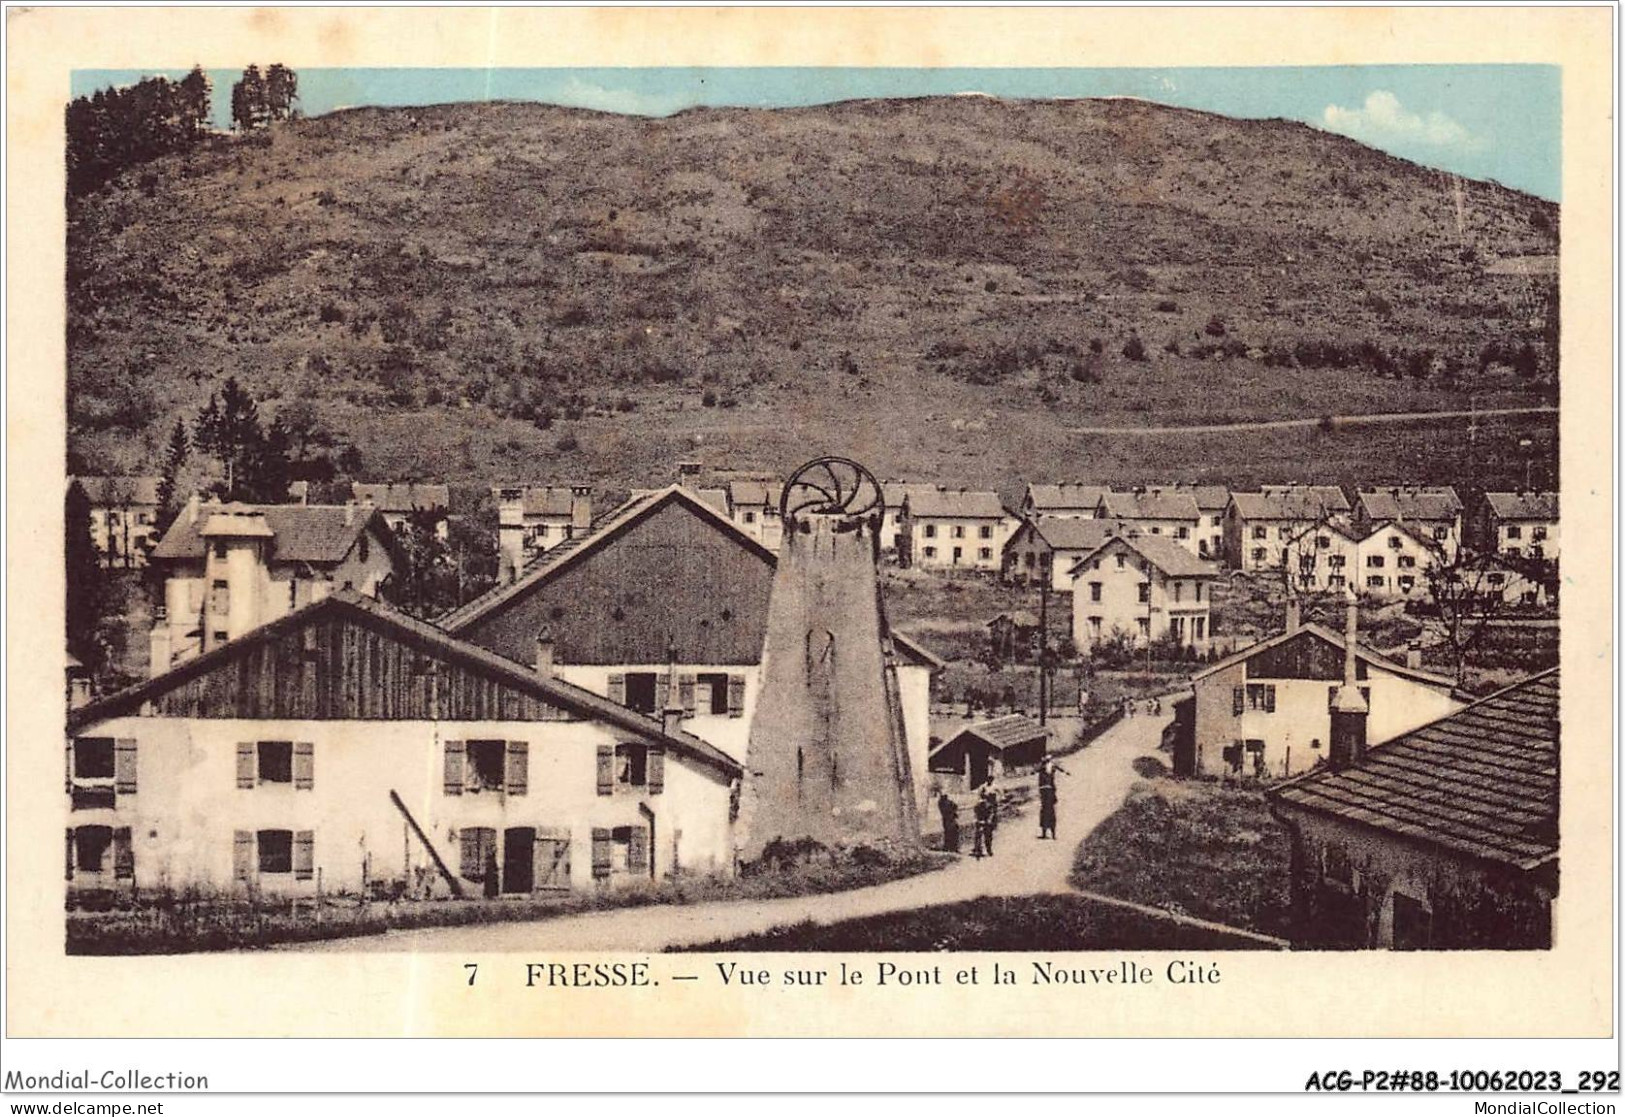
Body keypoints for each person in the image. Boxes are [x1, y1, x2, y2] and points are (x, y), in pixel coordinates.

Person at [979, 783, 999, 856]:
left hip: (987, 823)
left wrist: (989, 820)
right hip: (982, 822)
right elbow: (976, 812)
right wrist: (979, 820)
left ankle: (988, 850)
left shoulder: (989, 806)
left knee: (988, 837)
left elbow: (991, 814)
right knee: (980, 836)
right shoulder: (979, 804)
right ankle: (980, 850)